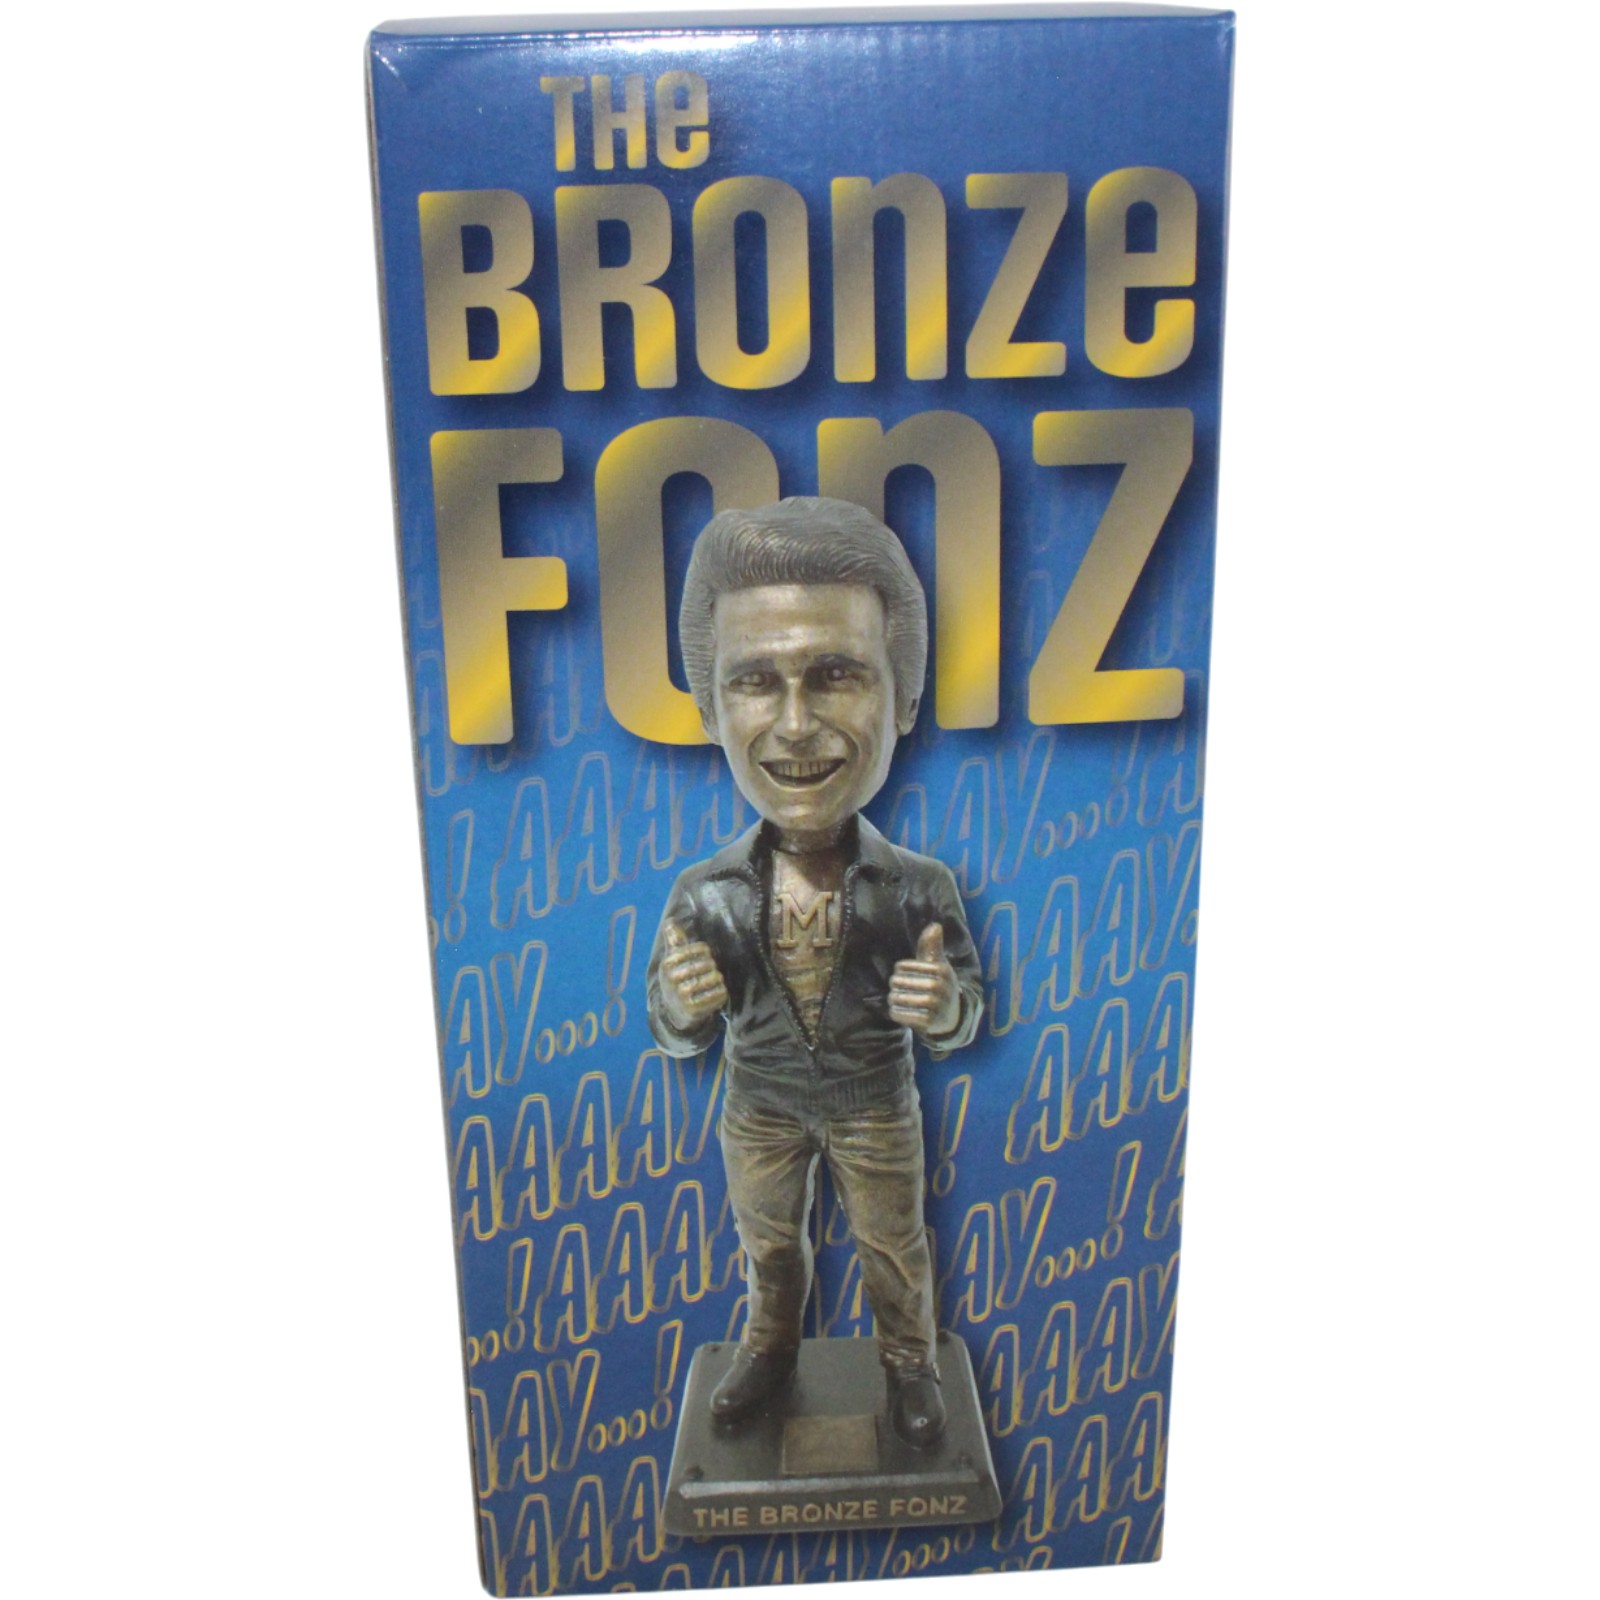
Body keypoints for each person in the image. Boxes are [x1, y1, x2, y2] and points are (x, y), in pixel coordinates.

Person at [645, 497, 982, 1447]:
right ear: (711, 711)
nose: (796, 725)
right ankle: (769, 1348)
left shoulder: (919, 887)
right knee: (768, 1246)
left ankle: (910, 1366)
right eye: (757, 682)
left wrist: (945, 1007)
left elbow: (967, 1010)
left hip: (876, 1104)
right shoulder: (704, 893)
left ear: (903, 698)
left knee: (893, 1246)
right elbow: (669, 1023)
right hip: (757, 1105)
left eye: (835, 675)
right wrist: (679, 1007)